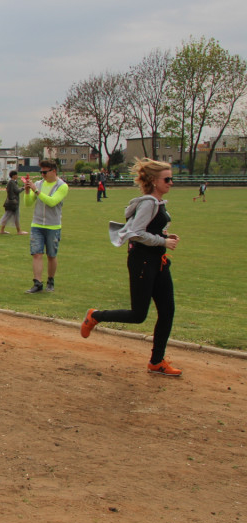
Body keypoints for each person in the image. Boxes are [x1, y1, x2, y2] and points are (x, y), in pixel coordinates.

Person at [81, 159, 182, 376]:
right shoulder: (148, 203)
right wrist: (163, 242)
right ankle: (95, 315)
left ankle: (156, 362)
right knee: (138, 314)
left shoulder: (157, 202)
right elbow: (135, 233)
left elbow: (149, 230)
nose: (171, 182)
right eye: (167, 179)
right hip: (143, 262)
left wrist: (164, 236)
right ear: (154, 181)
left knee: (167, 312)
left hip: (159, 262)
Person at [22, 160, 68, 293]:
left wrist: (36, 191)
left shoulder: (62, 186)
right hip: (36, 224)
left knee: (51, 255)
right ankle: (37, 282)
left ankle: (51, 280)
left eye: (44, 172)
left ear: (53, 171)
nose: (42, 175)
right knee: (36, 253)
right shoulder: (39, 184)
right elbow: (28, 203)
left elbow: (52, 202)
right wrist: (27, 192)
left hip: (53, 226)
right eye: (40, 172)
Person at [0, 170, 27, 235]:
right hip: (13, 203)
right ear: (14, 175)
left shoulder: (11, 182)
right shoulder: (12, 182)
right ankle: (19, 231)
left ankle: (2, 230)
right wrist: (23, 188)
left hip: (10, 202)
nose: (17, 176)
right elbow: (17, 191)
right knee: (16, 216)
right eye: (16, 175)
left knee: (7, 216)